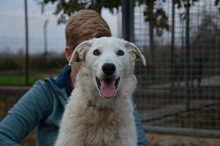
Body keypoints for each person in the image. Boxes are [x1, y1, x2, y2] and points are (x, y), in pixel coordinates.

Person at [0, 10, 148, 146]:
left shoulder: (120, 97)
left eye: (114, 51)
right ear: (70, 54)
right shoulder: (45, 92)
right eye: (96, 52)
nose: (107, 61)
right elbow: (2, 136)